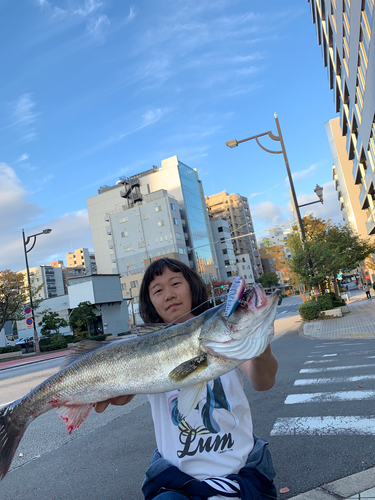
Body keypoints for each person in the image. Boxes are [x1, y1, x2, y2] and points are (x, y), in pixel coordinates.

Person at [95, 258, 278, 500]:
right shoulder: (145, 348)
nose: (169, 294)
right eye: (158, 290)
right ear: (150, 301)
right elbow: (123, 393)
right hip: (178, 485)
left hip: (240, 477)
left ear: (192, 287)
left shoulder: (221, 333)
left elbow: (263, 381)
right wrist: (111, 392)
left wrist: (259, 345)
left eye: (175, 284)